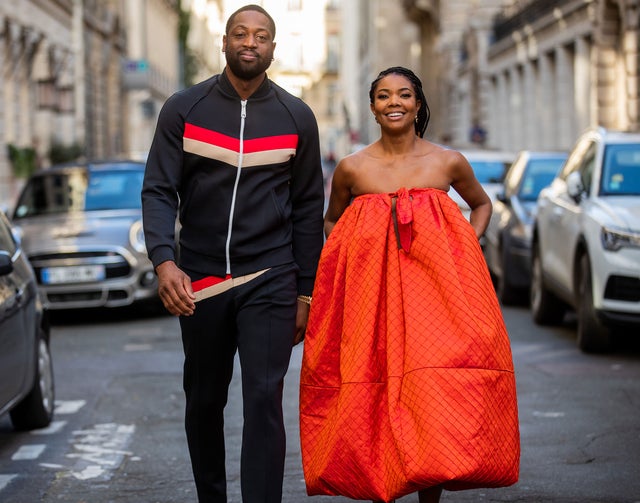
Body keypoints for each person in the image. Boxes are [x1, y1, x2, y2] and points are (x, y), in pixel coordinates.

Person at [299, 67, 520, 503]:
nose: (393, 102)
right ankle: (384, 483)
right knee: (374, 385)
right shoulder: (351, 168)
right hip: (372, 296)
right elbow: (331, 221)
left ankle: (428, 496)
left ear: (418, 104)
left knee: (431, 390)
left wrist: (464, 246)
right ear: (373, 108)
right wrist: (354, 257)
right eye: (383, 96)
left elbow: (480, 204)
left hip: (437, 298)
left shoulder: (447, 161)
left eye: (403, 95)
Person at [141, 5, 324, 502]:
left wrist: (305, 292)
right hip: (198, 279)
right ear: (223, 43)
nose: (250, 42)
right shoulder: (184, 108)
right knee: (204, 400)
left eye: (261, 36)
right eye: (240, 34)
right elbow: (159, 189)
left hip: (270, 275)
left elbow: (309, 208)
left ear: (272, 48)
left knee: (264, 399)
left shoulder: (296, 117)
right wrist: (164, 261)